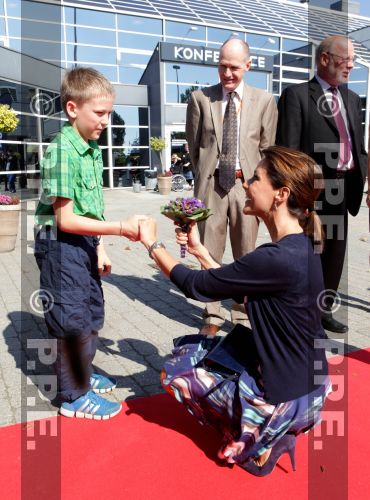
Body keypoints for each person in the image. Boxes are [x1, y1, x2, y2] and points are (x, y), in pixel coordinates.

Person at [138, 146, 331, 476]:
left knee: (175, 370)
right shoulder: (300, 246)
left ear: (280, 194)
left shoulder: (274, 257)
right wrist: (199, 250)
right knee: (217, 349)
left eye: (255, 178)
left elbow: (195, 287)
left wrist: (152, 245)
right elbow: (235, 284)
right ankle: (275, 429)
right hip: (314, 387)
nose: (245, 184)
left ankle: (257, 438)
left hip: (285, 399)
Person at [34, 67, 146, 420]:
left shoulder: (91, 148)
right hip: (60, 244)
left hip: (82, 242)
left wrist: (99, 246)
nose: (106, 120)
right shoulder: (62, 151)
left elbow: (91, 206)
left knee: (91, 311)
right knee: (71, 319)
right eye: (99, 113)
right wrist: (120, 229)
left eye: (109, 112)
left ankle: (83, 371)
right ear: (72, 109)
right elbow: (65, 219)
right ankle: (72, 394)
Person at [186, 37, 278, 335]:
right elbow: (194, 144)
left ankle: (241, 315)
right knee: (207, 250)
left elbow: (267, 149)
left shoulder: (264, 101)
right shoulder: (200, 98)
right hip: (212, 186)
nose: (227, 73)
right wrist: (204, 174)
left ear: (248, 66)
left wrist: (259, 186)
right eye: (222, 66)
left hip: (246, 187)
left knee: (246, 253)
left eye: (234, 67)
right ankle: (212, 314)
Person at [276, 35, 367, 334]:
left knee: (335, 256)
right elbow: (288, 151)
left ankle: (323, 312)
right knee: (308, 256)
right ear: (324, 59)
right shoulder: (298, 96)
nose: (351, 65)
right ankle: (298, 315)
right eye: (346, 59)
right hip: (312, 193)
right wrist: (293, 198)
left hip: (344, 190)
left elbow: (357, 146)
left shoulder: (353, 100)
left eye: (353, 60)